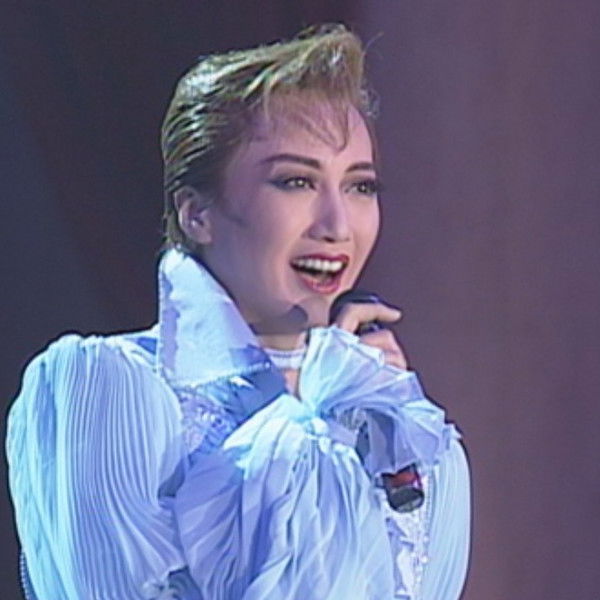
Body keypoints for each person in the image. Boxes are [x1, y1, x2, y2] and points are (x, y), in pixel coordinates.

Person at [6, 24, 470, 600]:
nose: (337, 226)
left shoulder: (406, 434)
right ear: (197, 214)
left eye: (360, 187)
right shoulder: (107, 383)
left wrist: (358, 410)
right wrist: (310, 422)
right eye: (295, 182)